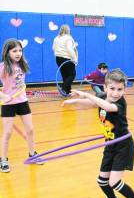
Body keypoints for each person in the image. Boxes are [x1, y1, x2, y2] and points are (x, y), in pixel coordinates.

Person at [62, 70, 134, 198]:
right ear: (105, 88)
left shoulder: (120, 103)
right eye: (112, 89)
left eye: (120, 89)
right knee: (102, 181)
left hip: (123, 146)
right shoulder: (102, 97)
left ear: (124, 89)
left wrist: (87, 94)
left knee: (114, 181)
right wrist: (74, 101)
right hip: (110, 145)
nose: (115, 93)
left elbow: (108, 107)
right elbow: (92, 104)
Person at [0, 39, 43, 173]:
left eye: (20, 50)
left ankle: (32, 154)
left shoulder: (22, 64)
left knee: (30, 129)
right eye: (14, 51)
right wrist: (3, 96)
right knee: (7, 133)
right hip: (8, 103)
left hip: (22, 101)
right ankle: (3, 159)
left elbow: (20, 83)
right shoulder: (3, 67)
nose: (18, 53)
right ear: (7, 52)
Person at [52, 24, 78, 95]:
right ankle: (63, 87)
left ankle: (67, 91)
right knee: (72, 75)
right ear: (68, 30)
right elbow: (69, 49)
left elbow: (53, 48)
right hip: (66, 59)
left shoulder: (56, 38)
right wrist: (75, 59)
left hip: (58, 58)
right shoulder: (68, 38)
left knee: (65, 75)